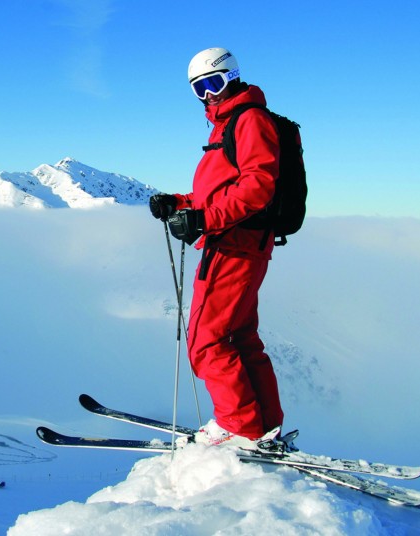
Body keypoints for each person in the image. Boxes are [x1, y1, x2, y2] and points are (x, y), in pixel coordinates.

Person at [149, 47, 287, 449]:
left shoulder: (248, 120)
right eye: (199, 89)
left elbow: (259, 185)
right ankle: (263, 425)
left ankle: (238, 427)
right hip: (237, 241)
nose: (209, 95)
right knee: (239, 337)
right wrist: (179, 202)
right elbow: (218, 191)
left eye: (215, 83)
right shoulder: (227, 125)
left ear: (233, 76)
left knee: (207, 341)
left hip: (234, 245)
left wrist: (204, 221)